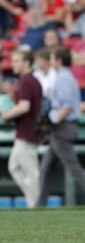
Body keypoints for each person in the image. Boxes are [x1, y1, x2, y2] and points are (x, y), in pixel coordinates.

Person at [35, 46, 85, 207]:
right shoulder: (63, 76)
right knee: (45, 168)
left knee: (74, 168)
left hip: (64, 127)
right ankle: (39, 204)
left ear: (59, 60)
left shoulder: (64, 77)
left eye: (53, 58)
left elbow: (67, 106)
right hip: (61, 127)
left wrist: (53, 122)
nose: (51, 61)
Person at [0, 49, 43, 208]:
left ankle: (36, 205)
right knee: (14, 167)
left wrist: (7, 115)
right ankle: (34, 201)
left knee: (32, 173)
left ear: (26, 62)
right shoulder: (31, 80)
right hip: (26, 131)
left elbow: (24, 107)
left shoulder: (26, 81)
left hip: (27, 131)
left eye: (17, 60)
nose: (14, 64)